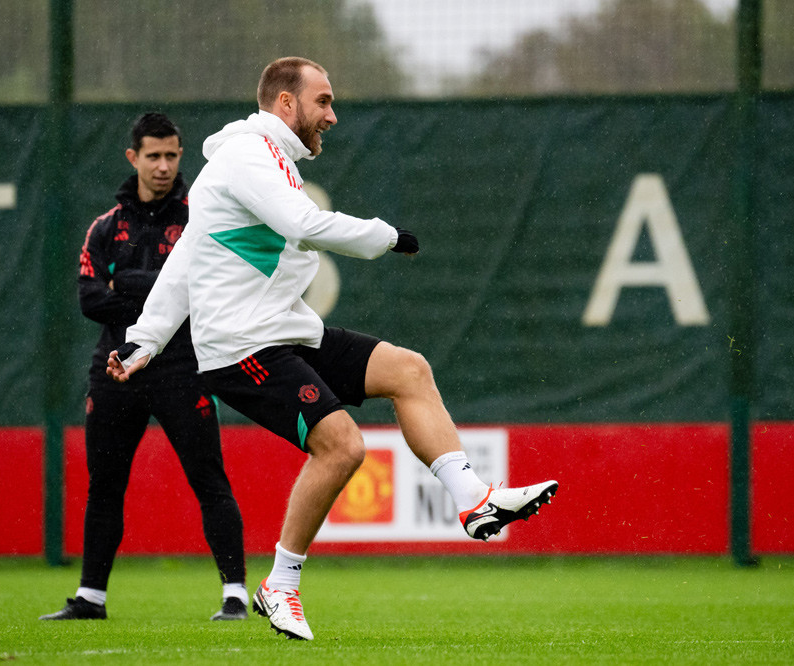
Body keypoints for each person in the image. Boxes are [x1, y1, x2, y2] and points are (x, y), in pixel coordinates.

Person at [107, 59, 558, 640]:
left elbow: (184, 262)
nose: (332, 115)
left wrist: (144, 340)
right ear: (287, 105)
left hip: (284, 329)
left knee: (408, 370)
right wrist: (386, 236)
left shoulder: (264, 160)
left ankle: (474, 501)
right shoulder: (248, 155)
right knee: (342, 447)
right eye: (323, 101)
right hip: (241, 344)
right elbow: (301, 224)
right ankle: (280, 585)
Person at [40, 113, 248, 622]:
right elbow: (90, 300)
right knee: (104, 484)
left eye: (171, 155)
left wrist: (126, 286)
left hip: (182, 368)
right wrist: (155, 291)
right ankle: (90, 598)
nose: (163, 166)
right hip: (113, 371)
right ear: (133, 157)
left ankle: (236, 596)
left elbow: (203, 293)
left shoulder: (203, 217)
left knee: (209, 480)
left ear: (182, 156)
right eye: (152, 155)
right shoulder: (105, 227)